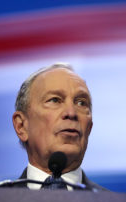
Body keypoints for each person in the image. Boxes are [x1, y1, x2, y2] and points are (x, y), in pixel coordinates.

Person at [11, 63, 106, 191]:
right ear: (21, 126)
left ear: (89, 128)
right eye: (55, 100)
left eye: (81, 103)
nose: (71, 113)